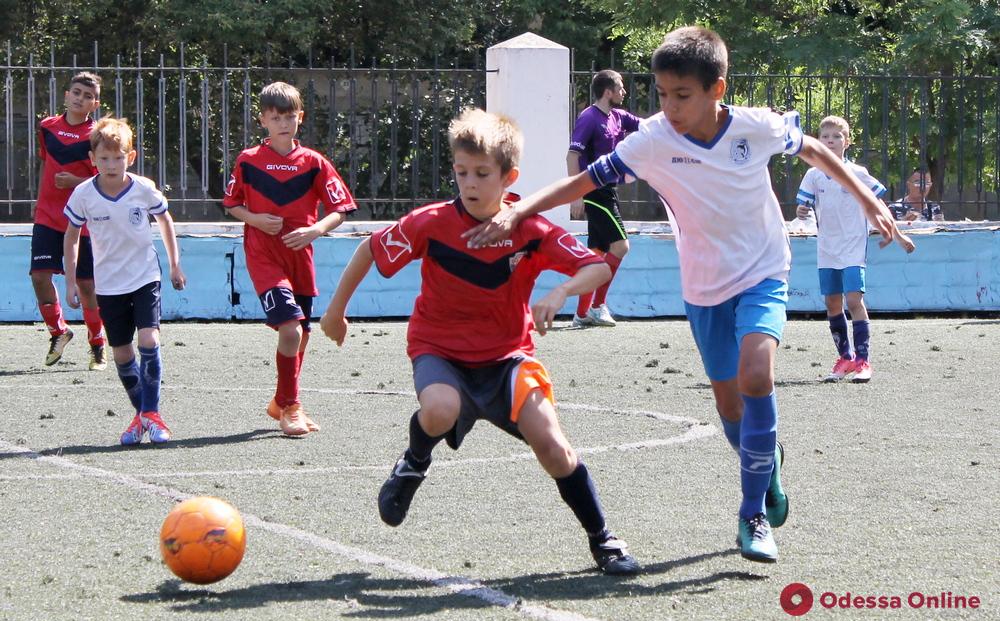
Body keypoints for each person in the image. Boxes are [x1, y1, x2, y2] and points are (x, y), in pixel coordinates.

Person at [463, 26, 909, 563]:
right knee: (729, 404)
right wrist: (518, 210)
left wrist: (866, 200)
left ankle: (752, 515)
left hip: (764, 271)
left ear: (716, 89)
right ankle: (768, 466)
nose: (669, 106)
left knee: (756, 374)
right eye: (661, 94)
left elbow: (813, 148)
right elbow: (583, 182)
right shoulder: (652, 140)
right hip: (703, 287)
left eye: (683, 95)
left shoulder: (755, 127)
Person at [319, 108, 640, 576]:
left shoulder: (530, 229)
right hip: (440, 350)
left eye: (482, 174)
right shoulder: (431, 222)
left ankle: (604, 539)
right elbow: (370, 248)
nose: (469, 183)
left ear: (509, 176)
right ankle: (413, 463)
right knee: (439, 410)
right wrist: (334, 310)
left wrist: (561, 291)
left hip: (509, 357)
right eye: (461, 172)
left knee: (554, 447)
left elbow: (597, 265)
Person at [223, 81, 357, 437]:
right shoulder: (249, 161)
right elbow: (232, 203)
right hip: (264, 255)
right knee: (290, 329)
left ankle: (280, 401)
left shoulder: (314, 162)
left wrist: (315, 230)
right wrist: (254, 219)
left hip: (301, 255)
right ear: (264, 120)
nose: (283, 122)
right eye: (275, 116)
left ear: (301, 117)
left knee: (302, 333)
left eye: (289, 116)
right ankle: (292, 407)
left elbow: (340, 209)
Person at [63, 117, 185, 445]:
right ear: (93, 159)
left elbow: (165, 219)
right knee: (120, 353)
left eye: (118, 158)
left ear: (130, 157)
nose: (111, 164)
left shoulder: (143, 188)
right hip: (108, 285)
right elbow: (72, 236)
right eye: (104, 158)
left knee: (148, 338)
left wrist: (174, 264)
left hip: (145, 277)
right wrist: (71, 281)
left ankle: (154, 413)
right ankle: (141, 414)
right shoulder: (83, 194)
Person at [796, 117, 916, 383]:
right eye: (825, 136)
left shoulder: (858, 173)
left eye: (836, 136)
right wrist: (802, 210)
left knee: (853, 300)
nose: (830, 140)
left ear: (847, 142)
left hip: (852, 247)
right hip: (827, 248)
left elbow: (879, 206)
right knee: (831, 303)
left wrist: (898, 235)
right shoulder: (813, 175)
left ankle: (863, 361)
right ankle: (845, 359)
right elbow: (802, 207)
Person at [30, 72, 107, 370]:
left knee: (86, 286)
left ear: (95, 103)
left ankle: (97, 343)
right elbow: (47, 166)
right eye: (76, 92)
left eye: (88, 96)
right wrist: (39, 201)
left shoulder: (97, 135)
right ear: (66, 95)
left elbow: (105, 177)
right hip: (48, 216)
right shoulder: (47, 127)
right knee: (39, 276)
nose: (80, 98)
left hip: (83, 220)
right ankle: (59, 332)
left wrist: (75, 180)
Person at [567, 70, 642, 327]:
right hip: (594, 190)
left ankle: (581, 313)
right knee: (621, 247)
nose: (624, 92)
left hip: (609, 190)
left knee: (596, 253)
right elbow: (572, 156)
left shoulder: (618, 116)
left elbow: (647, 126)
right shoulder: (589, 118)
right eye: (620, 87)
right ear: (608, 91)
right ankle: (598, 306)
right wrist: (575, 193)